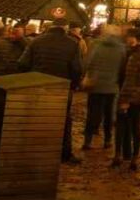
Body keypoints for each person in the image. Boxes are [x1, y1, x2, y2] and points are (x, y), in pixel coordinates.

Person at [19, 17, 83, 164]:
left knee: (36, 118)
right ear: (65, 28)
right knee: (64, 120)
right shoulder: (73, 44)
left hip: (38, 85)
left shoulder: (37, 41)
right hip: (62, 87)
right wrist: (72, 85)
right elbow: (77, 68)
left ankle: (33, 150)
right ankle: (64, 153)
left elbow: (22, 63)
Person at [114, 32, 140, 170]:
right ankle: (134, 158)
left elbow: (128, 80)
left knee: (121, 126)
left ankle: (118, 155)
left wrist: (124, 98)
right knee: (136, 127)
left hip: (128, 95)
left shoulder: (134, 57)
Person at [83, 24, 126, 150]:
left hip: (95, 84)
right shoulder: (121, 48)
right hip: (112, 86)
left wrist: (88, 76)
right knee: (109, 114)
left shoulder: (96, 45)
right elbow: (122, 68)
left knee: (92, 113)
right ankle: (107, 140)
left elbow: (88, 63)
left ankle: (88, 140)